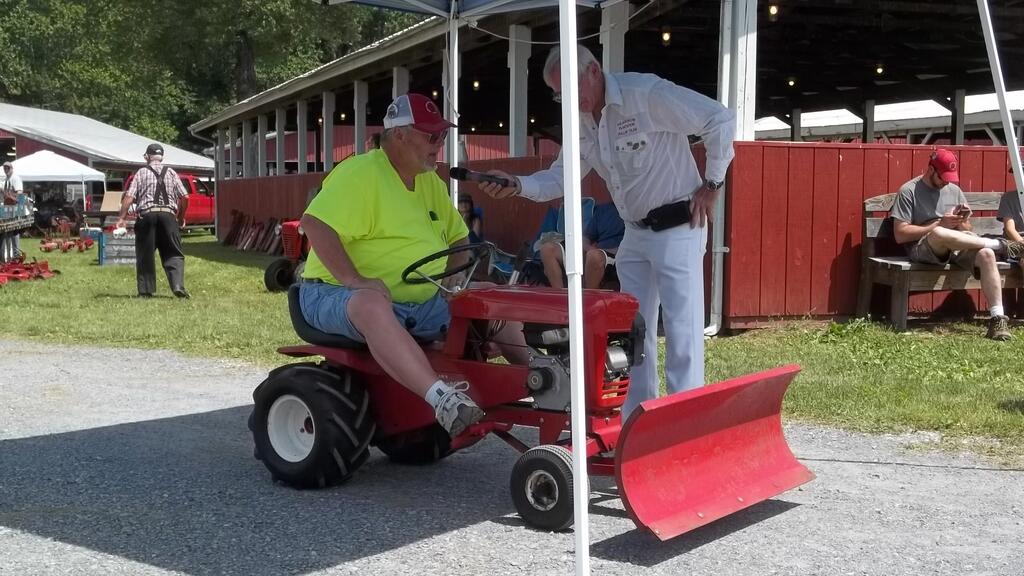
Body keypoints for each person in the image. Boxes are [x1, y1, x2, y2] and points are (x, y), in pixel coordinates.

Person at [478, 45, 736, 415]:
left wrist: (712, 185)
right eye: (560, 95)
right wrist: (517, 184)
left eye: (573, 88)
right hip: (635, 233)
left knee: (683, 335)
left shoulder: (643, 94)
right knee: (632, 334)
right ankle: (637, 423)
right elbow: (560, 177)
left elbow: (719, 119)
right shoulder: (581, 122)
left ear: (594, 70)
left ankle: (684, 425)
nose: (571, 100)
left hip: (680, 225)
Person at [298, 93, 528, 438]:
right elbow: (314, 224)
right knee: (370, 303)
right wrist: (354, 279)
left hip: (417, 302)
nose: (440, 144)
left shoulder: (429, 182)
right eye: (432, 136)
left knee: (489, 299)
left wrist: (454, 283)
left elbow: (459, 239)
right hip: (331, 294)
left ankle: (547, 382)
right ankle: (443, 400)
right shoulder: (360, 173)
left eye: (443, 135)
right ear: (400, 135)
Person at [890, 149, 1023, 341]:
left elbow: (968, 228)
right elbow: (900, 235)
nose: (947, 182)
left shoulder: (954, 190)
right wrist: (939, 224)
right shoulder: (908, 191)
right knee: (939, 233)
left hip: (956, 244)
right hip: (924, 248)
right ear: (931, 169)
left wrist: (962, 221)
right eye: (943, 177)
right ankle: (1000, 245)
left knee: (987, 254)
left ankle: (997, 319)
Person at [116, 144, 191, 299]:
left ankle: (145, 291)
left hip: (147, 216)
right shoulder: (171, 172)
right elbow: (185, 196)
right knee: (173, 252)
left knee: (145, 254)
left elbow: (129, 196)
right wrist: (180, 217)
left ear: (147, 156)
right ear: (162, 157)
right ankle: (177, 286)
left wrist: (122, 218)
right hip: (168, 216)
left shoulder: (141, 172)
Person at [538, 201, 624, 289]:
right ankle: (561, 293)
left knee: (594, 256)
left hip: (618, 254)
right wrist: (589, 248)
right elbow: (585, 237)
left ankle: (589, 295)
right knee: (547, 249)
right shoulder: (604, 209)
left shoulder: (631, 211)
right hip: (597, 251)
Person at [2, 161, 26, 254]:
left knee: (14, 230)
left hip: (14, 207)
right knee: (8, 230)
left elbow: (20, 192)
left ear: (12, 169)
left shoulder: (15, 178)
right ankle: (10, 253)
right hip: (8, 207)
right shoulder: (7, 179)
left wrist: (13, 199)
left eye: (8, 168)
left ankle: (16, 253)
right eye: (5, 168)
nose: (6, 170)